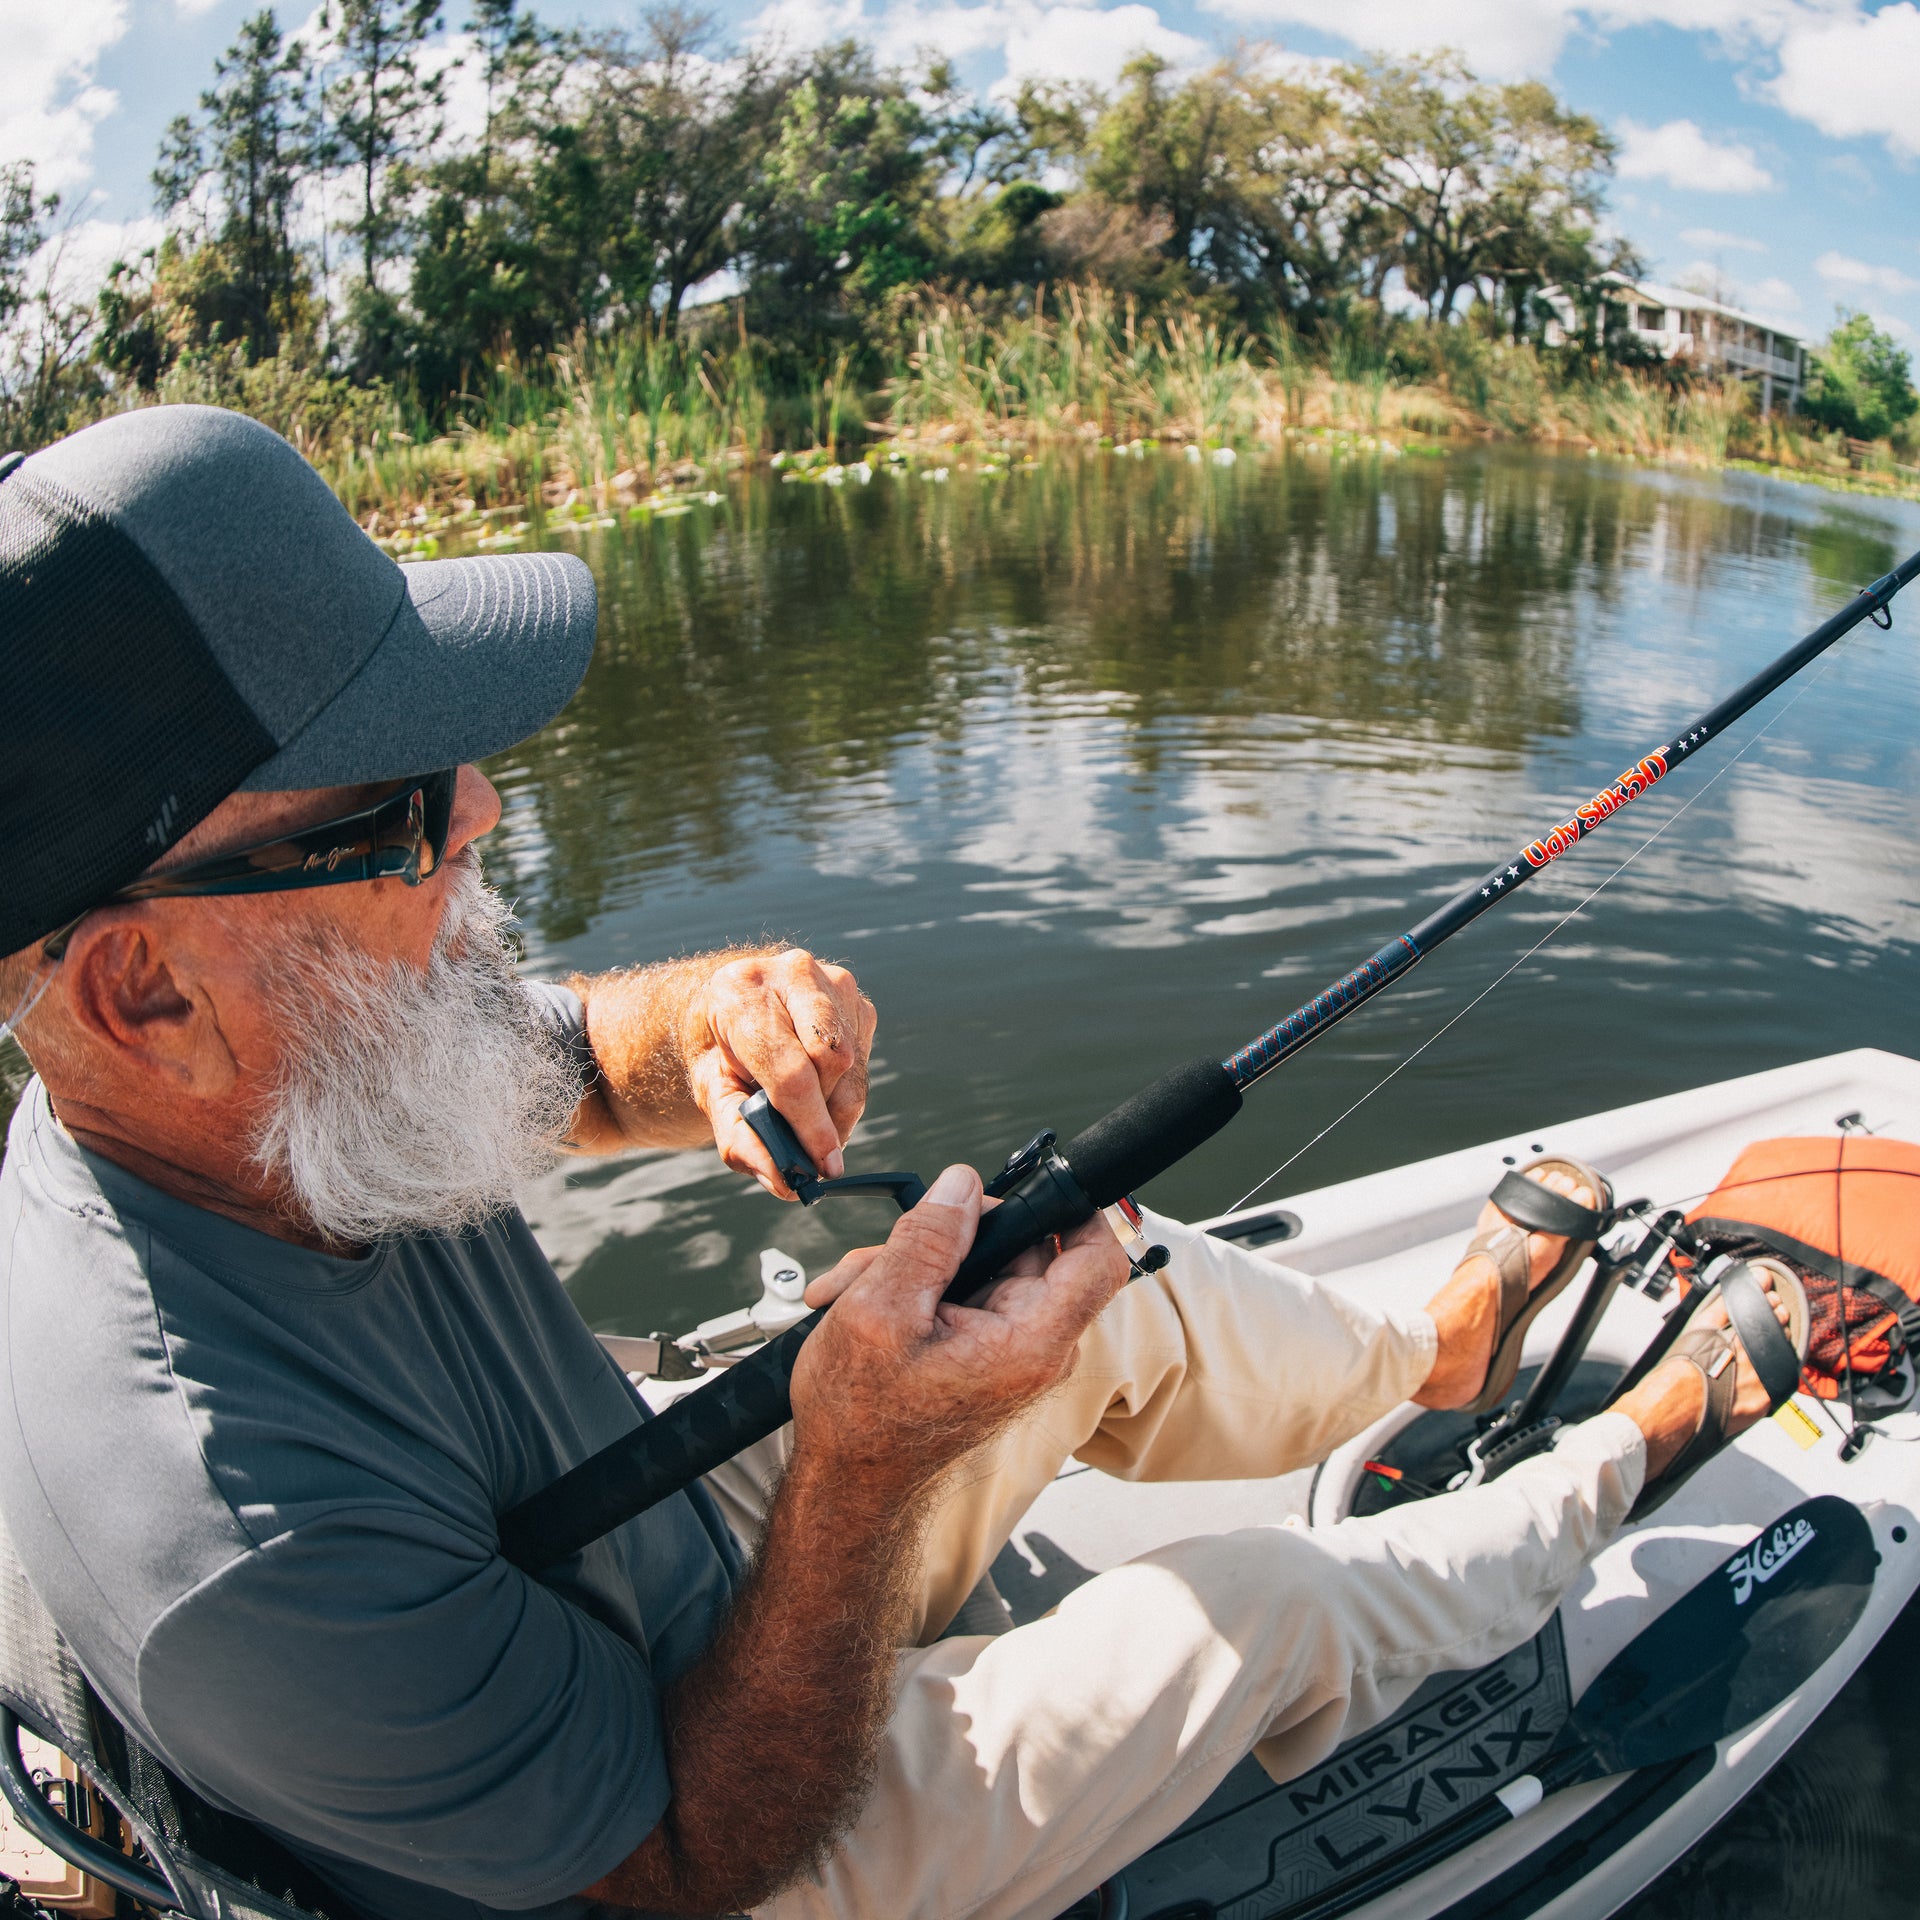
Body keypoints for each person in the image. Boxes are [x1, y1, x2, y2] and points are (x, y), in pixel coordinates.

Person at [0, 407, 1803, 1920]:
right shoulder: (231, 1538)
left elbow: (577, 1062)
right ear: (141, 983)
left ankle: (1439, 1360)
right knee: (1246, 1609)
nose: (477, 805)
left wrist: (722, 1007)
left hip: (643, 1553)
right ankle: (1624, 1464)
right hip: (666, 1830)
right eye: (390, 806)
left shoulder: (259, 1061)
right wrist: (860, 1470)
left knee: (1082, 1272)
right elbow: (680, 1853)